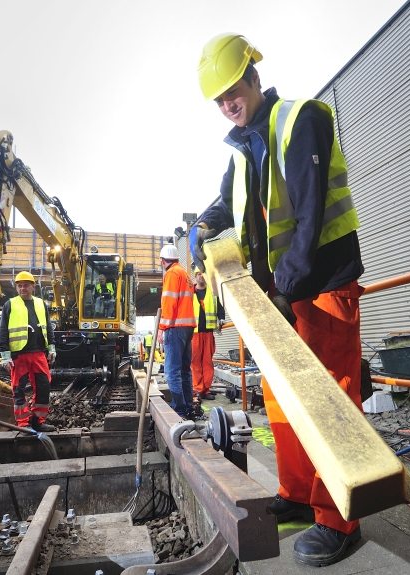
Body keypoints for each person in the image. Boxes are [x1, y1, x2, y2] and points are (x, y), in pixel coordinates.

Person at [191, 33, 364, 566]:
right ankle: (295, 494)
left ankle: (339, 519)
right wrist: (202, 223)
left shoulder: (300, 120)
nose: (227, 104)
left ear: (254, 77)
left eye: (232, 90)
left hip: (321, 288)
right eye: (218, 99)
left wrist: (286, 290)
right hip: (279, 297)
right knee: (283, 401)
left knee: (330, 403)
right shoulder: (242, 147)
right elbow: (229, 204)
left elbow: (309, 216)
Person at [0, 271, 56, 432]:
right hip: (19, 354)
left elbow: (48, 327)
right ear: (16, 287)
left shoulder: (40, 304)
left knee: (43, 386)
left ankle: (38, 421)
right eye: (19, 286)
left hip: (38, 353)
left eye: (26, 285)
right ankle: (24, 423)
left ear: (33, 287)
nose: (23, 288)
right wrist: (4, 354)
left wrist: (52, 347)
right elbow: (3, 330)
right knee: (18, 389)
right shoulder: (10, 304)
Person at [156, 244, 196, 417]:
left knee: (171, 371)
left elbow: (169, 302)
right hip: (187, 327)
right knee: (185, 370)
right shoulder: (185, 274)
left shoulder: (171, 273)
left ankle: (179, 409)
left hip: (175, 327)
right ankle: (187, 406)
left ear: (163, 261)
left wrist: (162, 327)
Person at [191, 268, 224, 400]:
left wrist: (221, 318)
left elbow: (220, 306)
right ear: (195, 276)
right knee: (195, 362)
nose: (201, 277)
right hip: (194, 332)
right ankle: (197, 388)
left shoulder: (213, 292)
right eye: (198, 274)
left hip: (208, 332)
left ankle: (205, 390)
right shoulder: (190, 292)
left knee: (207, 362)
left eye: (203, 274)